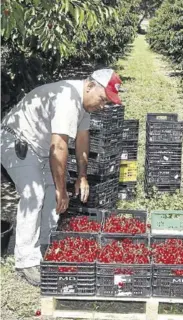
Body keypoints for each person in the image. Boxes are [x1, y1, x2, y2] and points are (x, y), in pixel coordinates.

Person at [1, 68, 122, 286]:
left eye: (107, 103)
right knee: (35, 193)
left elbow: (83, 140)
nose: (102, 106)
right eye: (103, 100)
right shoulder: (68, 98)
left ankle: (46, 243)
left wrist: (82, 176)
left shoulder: (85, 104)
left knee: (51, 192)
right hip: (16, 140)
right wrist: (61, 188)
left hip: (40, 147)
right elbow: (58, 146)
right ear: (90, 86)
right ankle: (25, 260)